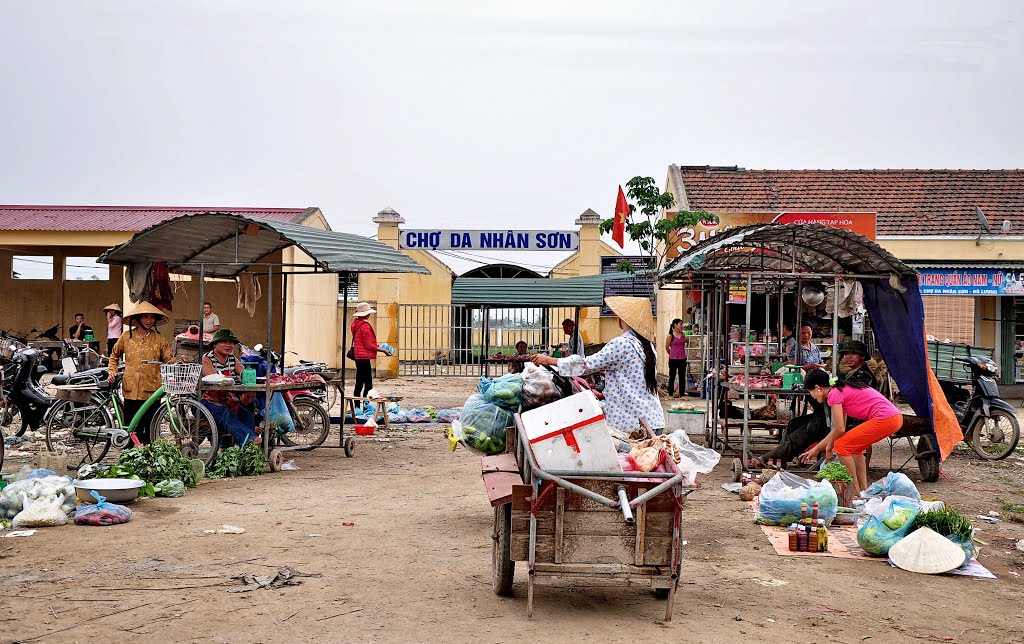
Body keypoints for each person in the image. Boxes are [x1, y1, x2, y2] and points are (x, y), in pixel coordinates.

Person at [533, 297, 664, 434]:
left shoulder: (622, 344)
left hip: (633, 424)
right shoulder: (647, 346)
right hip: (653, 419)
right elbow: (633, 381)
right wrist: (604, 394)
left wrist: (550, 361)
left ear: (623, 320)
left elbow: (586, 365)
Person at [799, 369, 904, 495]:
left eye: (810, 392)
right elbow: (838, 430)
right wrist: (817, 449)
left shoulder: (834, 394)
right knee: (854, 448)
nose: (812, 396)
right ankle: (864, 490)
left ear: (817, 388)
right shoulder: (840, 390)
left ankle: (854, 492)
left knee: (842, 446)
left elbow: (840, 429)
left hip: (886, 418)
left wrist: (828, 448)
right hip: (895, 418)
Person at [107, 302, 185, 444]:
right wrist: (112, 370)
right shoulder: (125, 337)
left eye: (152, 318)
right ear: (137, 319)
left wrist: (179, 359)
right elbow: (114, 355)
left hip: (152, 388)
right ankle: (129, 456)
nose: (149, 321)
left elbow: (168, 360)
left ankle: (147, 456)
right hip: (131, 388)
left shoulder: (160, 339)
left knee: (150, 426)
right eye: (145, 317)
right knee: (131, 427)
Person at [200, 328, 257, 446]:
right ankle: (250, 441)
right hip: (205, 402)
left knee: (247, 416)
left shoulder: (232, 359)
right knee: (225, 413)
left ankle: (246, 451)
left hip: (225, 400)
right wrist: (233, 380)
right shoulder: (207, 359)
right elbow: (213, 379)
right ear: (214, 344)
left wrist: (249, 378)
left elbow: (243, 373)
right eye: (224, 342)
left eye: (231, 342)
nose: (228, 345)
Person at [351, 302, 392, 398]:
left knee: (359, 383)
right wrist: (384, 350)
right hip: (364, 357)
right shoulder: (365, 326)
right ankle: (366, 406)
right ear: (366, 314)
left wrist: (378, 346)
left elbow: (363, 342)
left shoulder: (355, 324)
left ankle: (357, 407)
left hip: (358, 356)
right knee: (368, 384)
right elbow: (368, 345)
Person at [665, 318, 687, 398]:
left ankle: (682, 395)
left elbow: (684, 344)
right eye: (680, 324)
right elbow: (667, 347)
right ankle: (670, 394)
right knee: (672, 376)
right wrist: (671, 354)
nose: (681, 326)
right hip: (673, 359)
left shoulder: (683, 334)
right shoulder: (670, 336)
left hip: (682, 358)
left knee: (682, 377)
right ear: (675, 325)